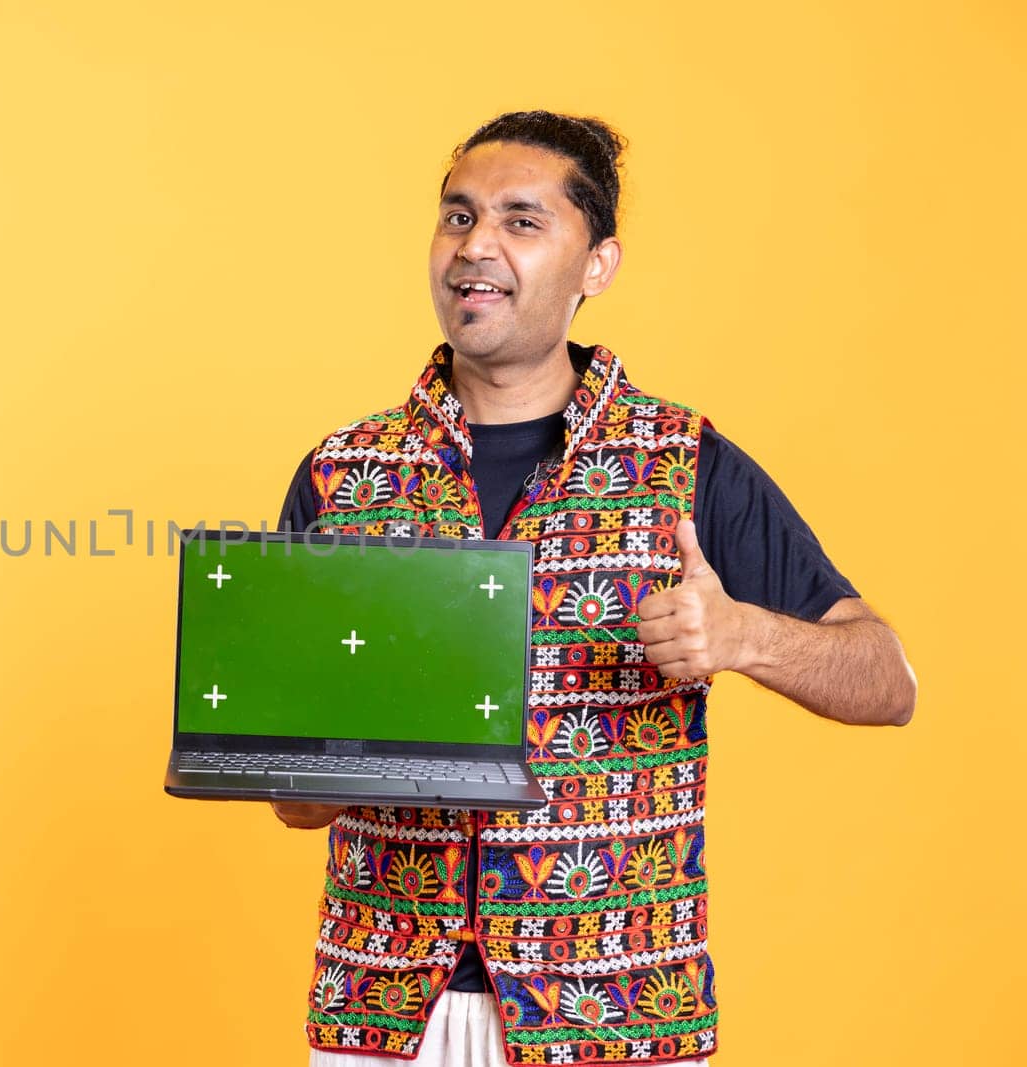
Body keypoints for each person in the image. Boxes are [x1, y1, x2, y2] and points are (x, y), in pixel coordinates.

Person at [271, 111, 916, 1067]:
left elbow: (889, 681)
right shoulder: (343, 474)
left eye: (522, 221)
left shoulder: (684, 463)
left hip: (617, 1014)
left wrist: (745, 637)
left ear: (597, 265)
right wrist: (322, 751)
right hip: (383, 1012)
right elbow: (298, 800)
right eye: (457, 217)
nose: (475, 246)